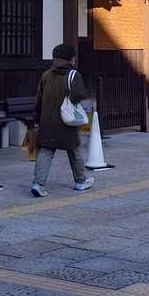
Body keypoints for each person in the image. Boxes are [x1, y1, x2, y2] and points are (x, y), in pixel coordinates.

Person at [30, 43, 93, 197]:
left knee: (46, 151)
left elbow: (38, 100)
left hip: (47, 121)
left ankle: (38, 184)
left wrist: (36, 119)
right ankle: (80, 181)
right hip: (66, 121)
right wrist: (69, 98)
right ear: (71, 59)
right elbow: (80, 94)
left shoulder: (46, 75)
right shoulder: (73, 75)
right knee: (74, 150)